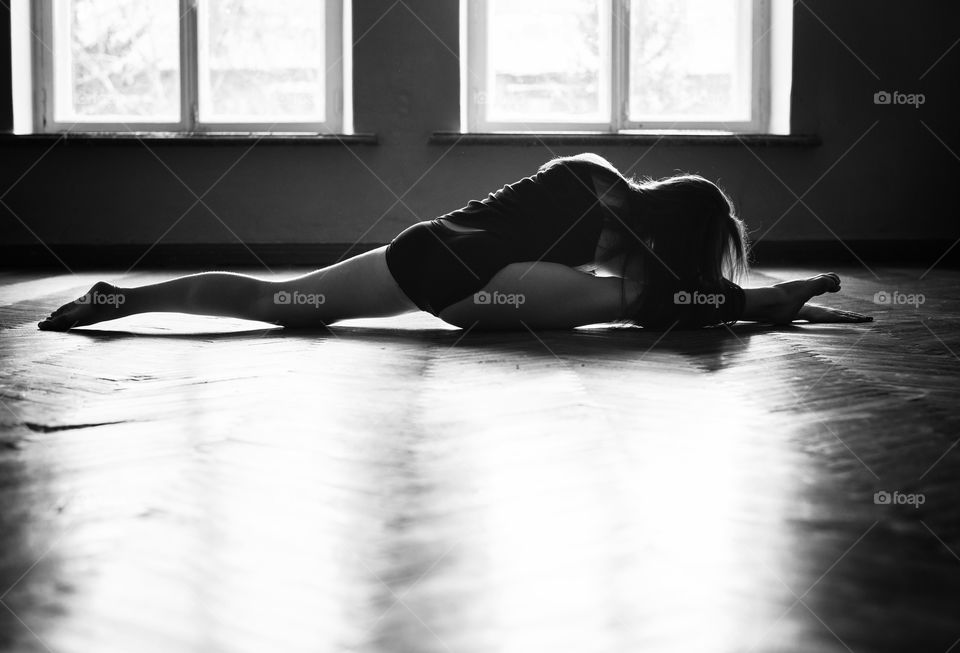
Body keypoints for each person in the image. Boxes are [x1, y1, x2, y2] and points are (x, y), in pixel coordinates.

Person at [37, 152, 871, 332]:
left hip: (425, 257)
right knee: (636, 302)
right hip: (467, 287)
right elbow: (682, 292)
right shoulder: (625, 235)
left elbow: (683, 285)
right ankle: (126, 299)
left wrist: (777, 297)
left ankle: (126, 297)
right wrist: (771, 299)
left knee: (279, 302)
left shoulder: (596, 184)